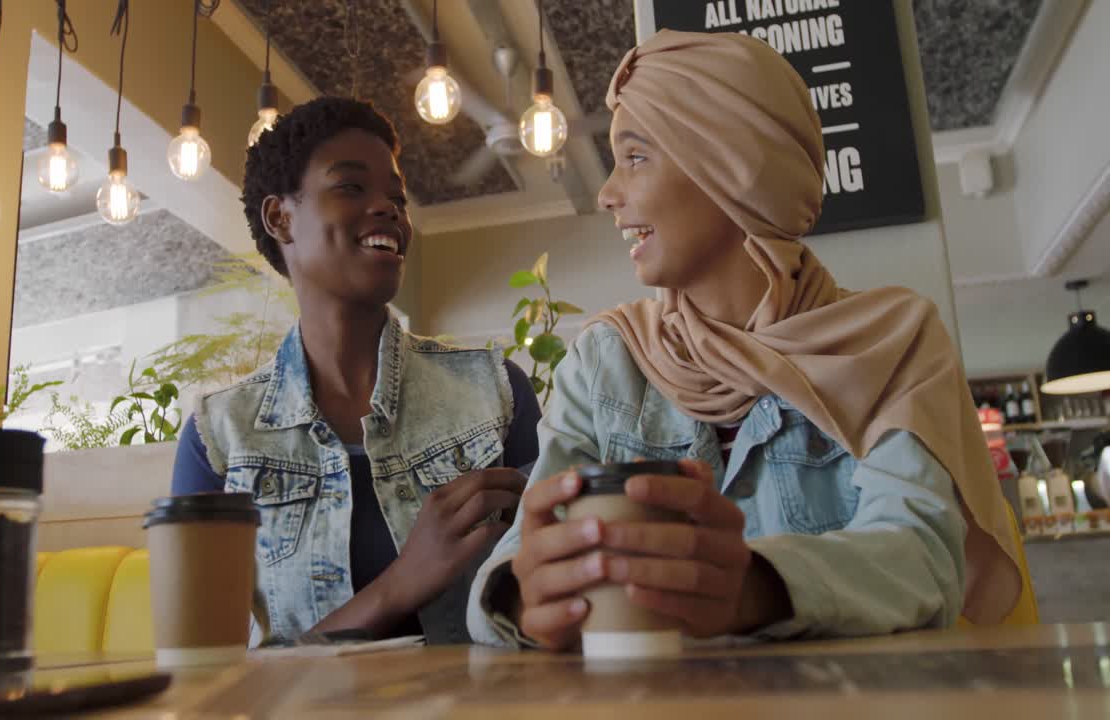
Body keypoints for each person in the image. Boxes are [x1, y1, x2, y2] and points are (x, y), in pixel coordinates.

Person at [467, 31, 1023, 649]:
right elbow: (512, 563)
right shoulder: (603, 363)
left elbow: (924, 560)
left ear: (730, 166)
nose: (607, 194)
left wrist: (752, 587)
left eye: (635, 156)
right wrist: (523, 596)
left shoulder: (893, 344)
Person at [172, 97, 542, 647]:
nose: (390, 208)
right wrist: (402, 583)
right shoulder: (218, 440)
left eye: (397, 197)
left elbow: (548, 597)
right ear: (280, 218)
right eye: (351, 187)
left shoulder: (496, 392)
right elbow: (204, 683)